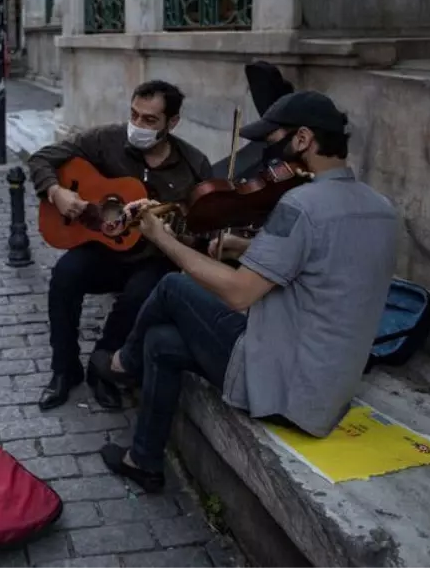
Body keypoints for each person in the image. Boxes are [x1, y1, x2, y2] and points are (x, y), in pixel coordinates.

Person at [89, 91, 399, 493]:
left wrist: (162, 240)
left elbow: (238, 295)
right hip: (325, 393)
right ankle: (143, 460)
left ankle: (122, 365)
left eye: (273, 142)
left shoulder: (301, 204)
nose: (267, 154)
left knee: (172, 286)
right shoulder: (381, 208)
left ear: (303, 139)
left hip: (280, 387)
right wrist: (241, 247)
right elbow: (324, 261)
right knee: (162, 342)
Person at [27, 80, 213, 411]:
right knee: (65, 276)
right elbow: (42, 159)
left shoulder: (194, 166)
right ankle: (64, 369)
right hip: (104, 248)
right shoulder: (105, 140)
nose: (138, 126)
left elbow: (200, 235)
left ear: (172, 123)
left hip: (152, 256)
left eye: (150, 120)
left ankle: (104, 368)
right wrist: (57, 193)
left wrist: (176, 235)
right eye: (134, 115)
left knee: (139, 295)